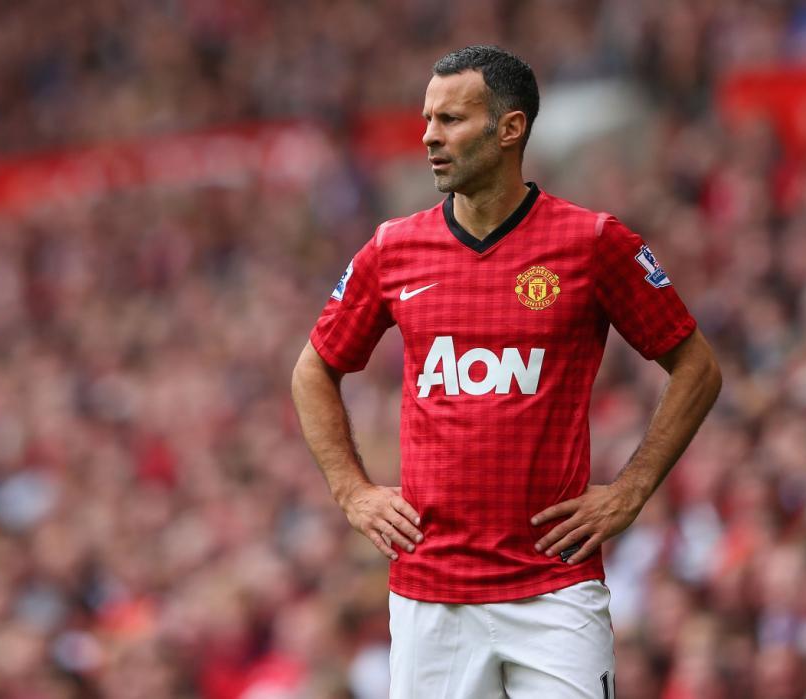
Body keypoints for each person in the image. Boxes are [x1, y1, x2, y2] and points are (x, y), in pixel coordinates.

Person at [290, 45, 722, 698]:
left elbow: (696, 367)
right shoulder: (392, 249)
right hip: (430, 595)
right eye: (428, 118)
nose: (429, 135)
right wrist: (353, 491)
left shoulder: (593, 243)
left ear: (509, 129)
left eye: (452, 119)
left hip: (554, 587)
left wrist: (631, 489)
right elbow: (313, 370)